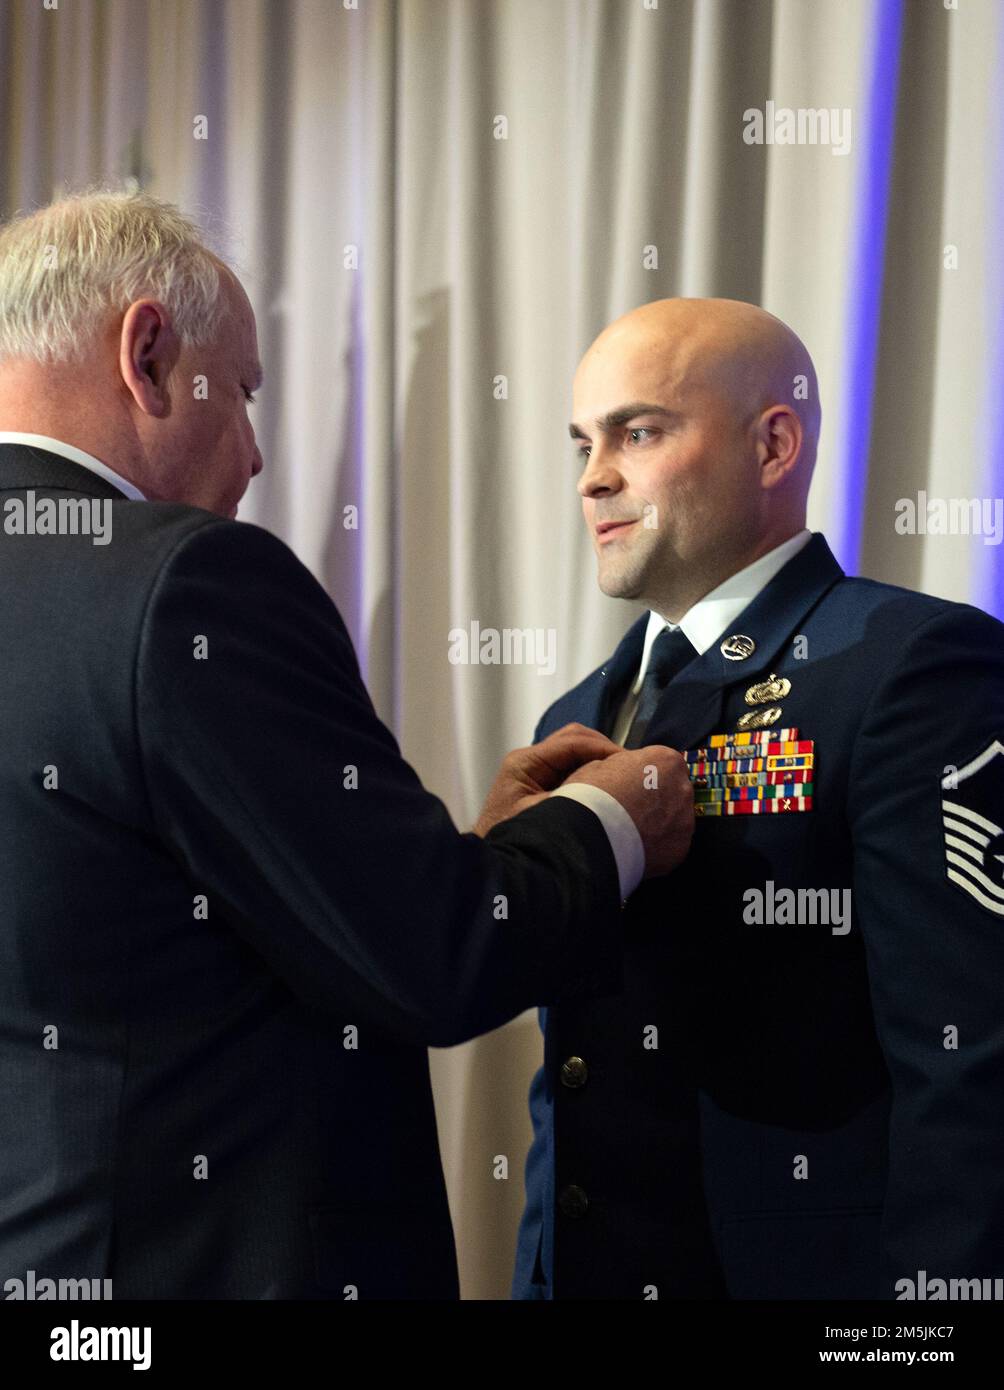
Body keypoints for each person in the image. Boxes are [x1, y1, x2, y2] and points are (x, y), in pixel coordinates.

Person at [0, 193, 695, 1300]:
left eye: (640, 430)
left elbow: (164, 915)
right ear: (146, 355)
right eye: (243, 391)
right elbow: (435, 957)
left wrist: (468, 855)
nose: (259, 450)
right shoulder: (181, 581)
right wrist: (611, 821)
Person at [513, 296, 1004, 1300]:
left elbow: (969, 1063)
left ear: (771, 443)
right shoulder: (577, 714)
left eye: (637, 431)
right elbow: (566, 1077)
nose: (593, 476)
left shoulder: (905, 667)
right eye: (581, 443)